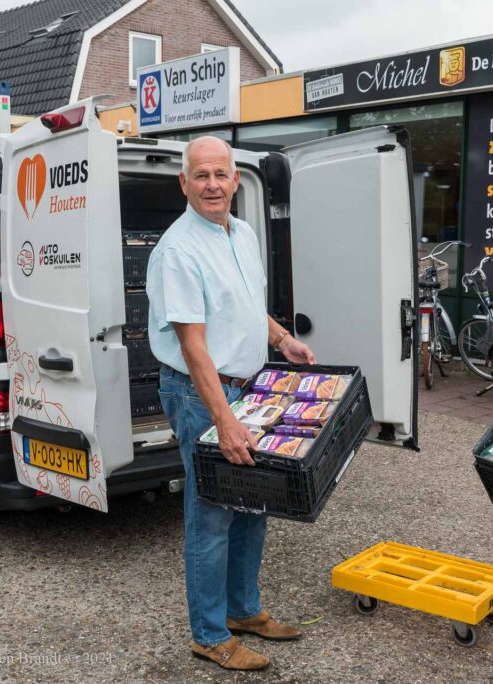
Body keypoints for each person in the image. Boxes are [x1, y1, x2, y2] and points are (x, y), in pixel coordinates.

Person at [147, 136, 316, 671]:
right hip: (203, 393)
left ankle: (244, 611)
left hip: (249, 385)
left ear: (235, 180)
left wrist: (280, 338)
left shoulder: (240, 233)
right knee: (213, 512)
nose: (213, 184)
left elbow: (243, 306)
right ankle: (210, 634)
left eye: (221, 174)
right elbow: (194, 347)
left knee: (253, 503)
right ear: (184, 183)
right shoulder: (177, 251)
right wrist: (223, 421)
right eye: (201, 175)